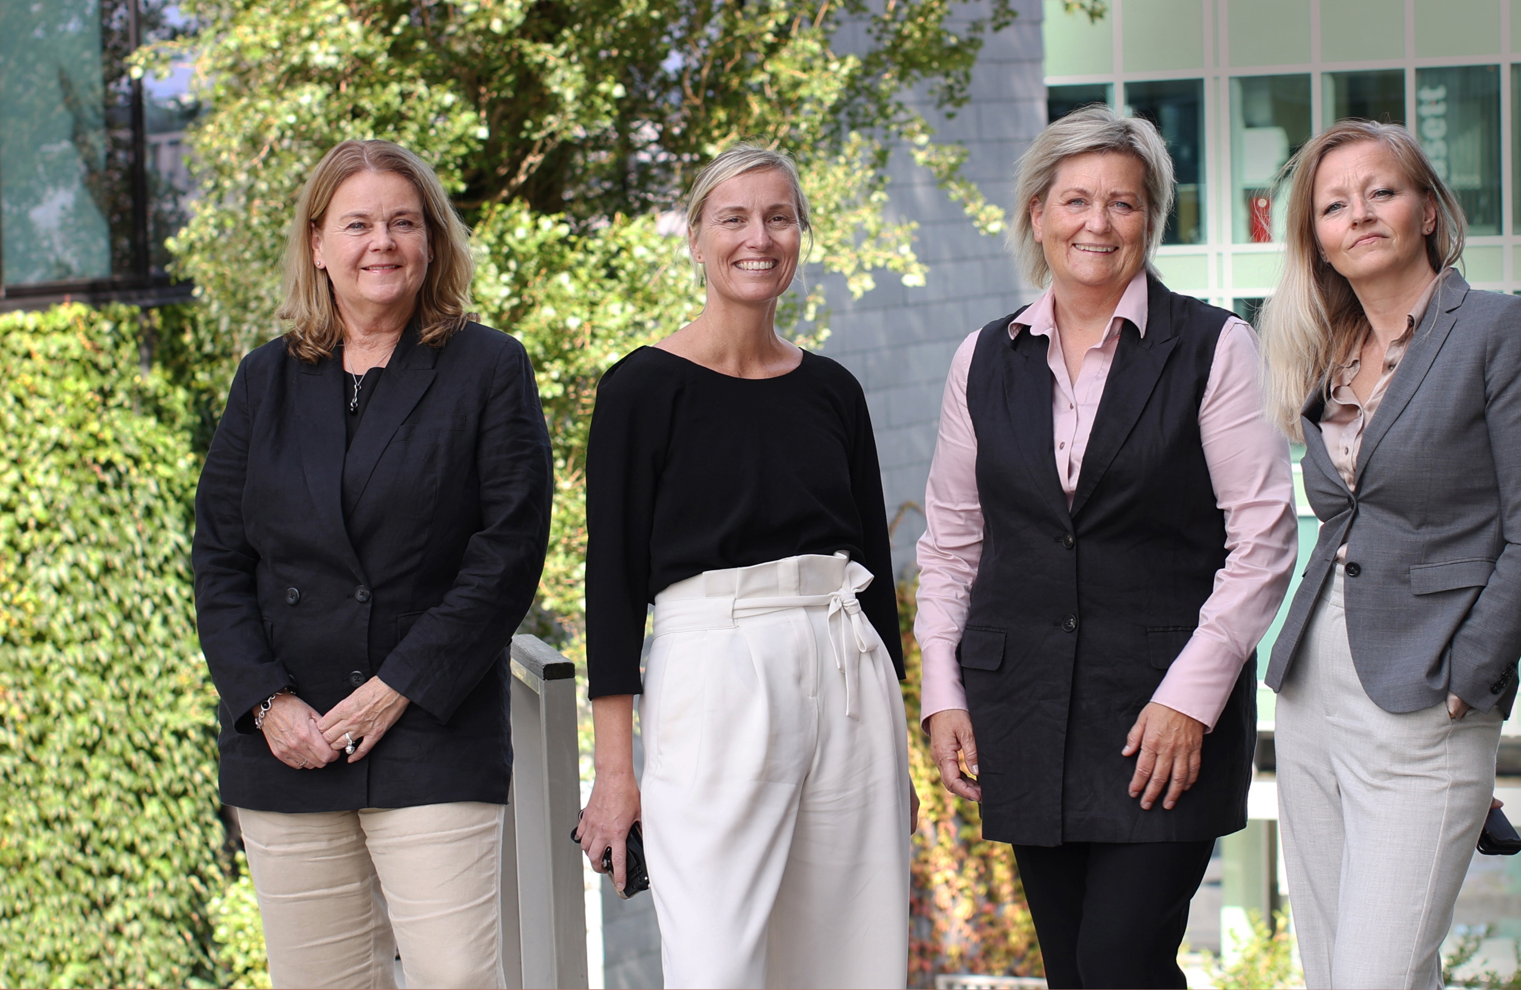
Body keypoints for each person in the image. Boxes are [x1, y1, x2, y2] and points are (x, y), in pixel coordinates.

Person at [915, 105, 1299, 989]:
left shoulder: (1214, 347)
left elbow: (1262, 540)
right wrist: (942, 690)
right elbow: (952, 543)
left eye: (1123, 203)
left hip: (1163, 721)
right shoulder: (982, 358)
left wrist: (1190, 700)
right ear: (1037, 214)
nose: (1098, 223)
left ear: (1149, 219)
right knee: (1073, 974)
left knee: (1119, 964)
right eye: (1075, 201)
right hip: (1024, 711)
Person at [192, 139, 554, 989]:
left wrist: (396, 689)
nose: (381, 243)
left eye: (403, 222)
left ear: (432, 240)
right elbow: (219, 559)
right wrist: (267, 702)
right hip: (290, 743)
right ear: (318, 243)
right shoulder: (263, 380)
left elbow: (507, 553)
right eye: (357, 225)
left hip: (431, 728)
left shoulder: (488, 366)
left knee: (455, 978)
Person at [576, 143, 914, 989]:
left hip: (847, 672)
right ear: (695, 239)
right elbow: (610, 594)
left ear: (800, 234)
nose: (758, 238)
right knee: (716, 961)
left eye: (779, 218)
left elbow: (874, 576)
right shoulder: (639, 391)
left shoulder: (833, 391)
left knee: (853, 959)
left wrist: (898, 754)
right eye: (733, 218)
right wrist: (614, 775)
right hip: (714, 669)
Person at [1258, 120, 1521, 989]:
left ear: (1427, 211)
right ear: (1317, 240)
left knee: (1377, 974)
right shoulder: (1326, 353)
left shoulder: (1502, 330)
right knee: (1333, 970)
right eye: (1333, 206)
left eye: (1381, 192)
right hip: (1311, 686)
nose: (1358, 214)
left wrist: (1469, 675)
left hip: (1427, 688)